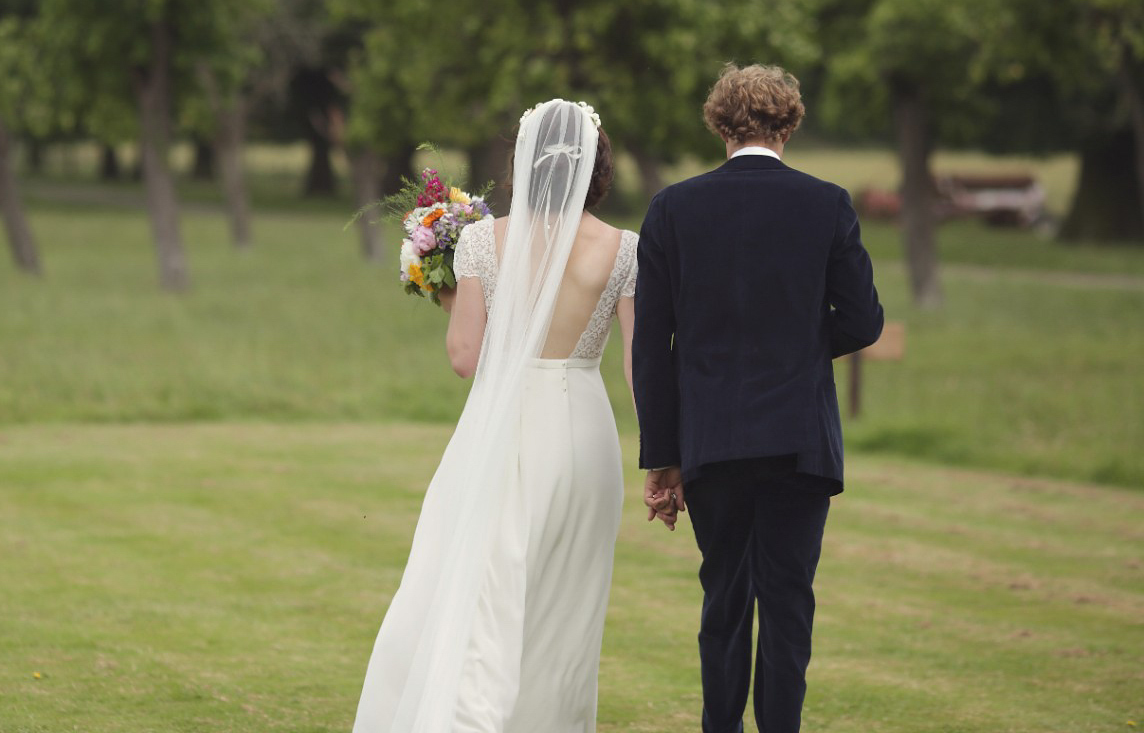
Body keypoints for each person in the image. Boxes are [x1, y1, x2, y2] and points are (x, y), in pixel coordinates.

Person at [353, 99, 639, 732]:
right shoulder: (625, 250)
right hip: (584, 433)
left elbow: (465, 357)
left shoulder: (483, 239)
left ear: (522, 162)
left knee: (482, 588)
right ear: (597, 166)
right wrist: (665, 458)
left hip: (503, 426)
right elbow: (638, 367)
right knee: (565, 606)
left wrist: (450, 297)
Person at [633, 64, 885, 733]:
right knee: (787, 603)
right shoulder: (826, 202)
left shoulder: (672, 208)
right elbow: (863, 320)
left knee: (724, 600)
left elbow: (650, 347)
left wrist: (662, 457)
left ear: (721, 124)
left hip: (711, 438)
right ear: (790, 124)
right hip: (800, 438)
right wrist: (798, 349)